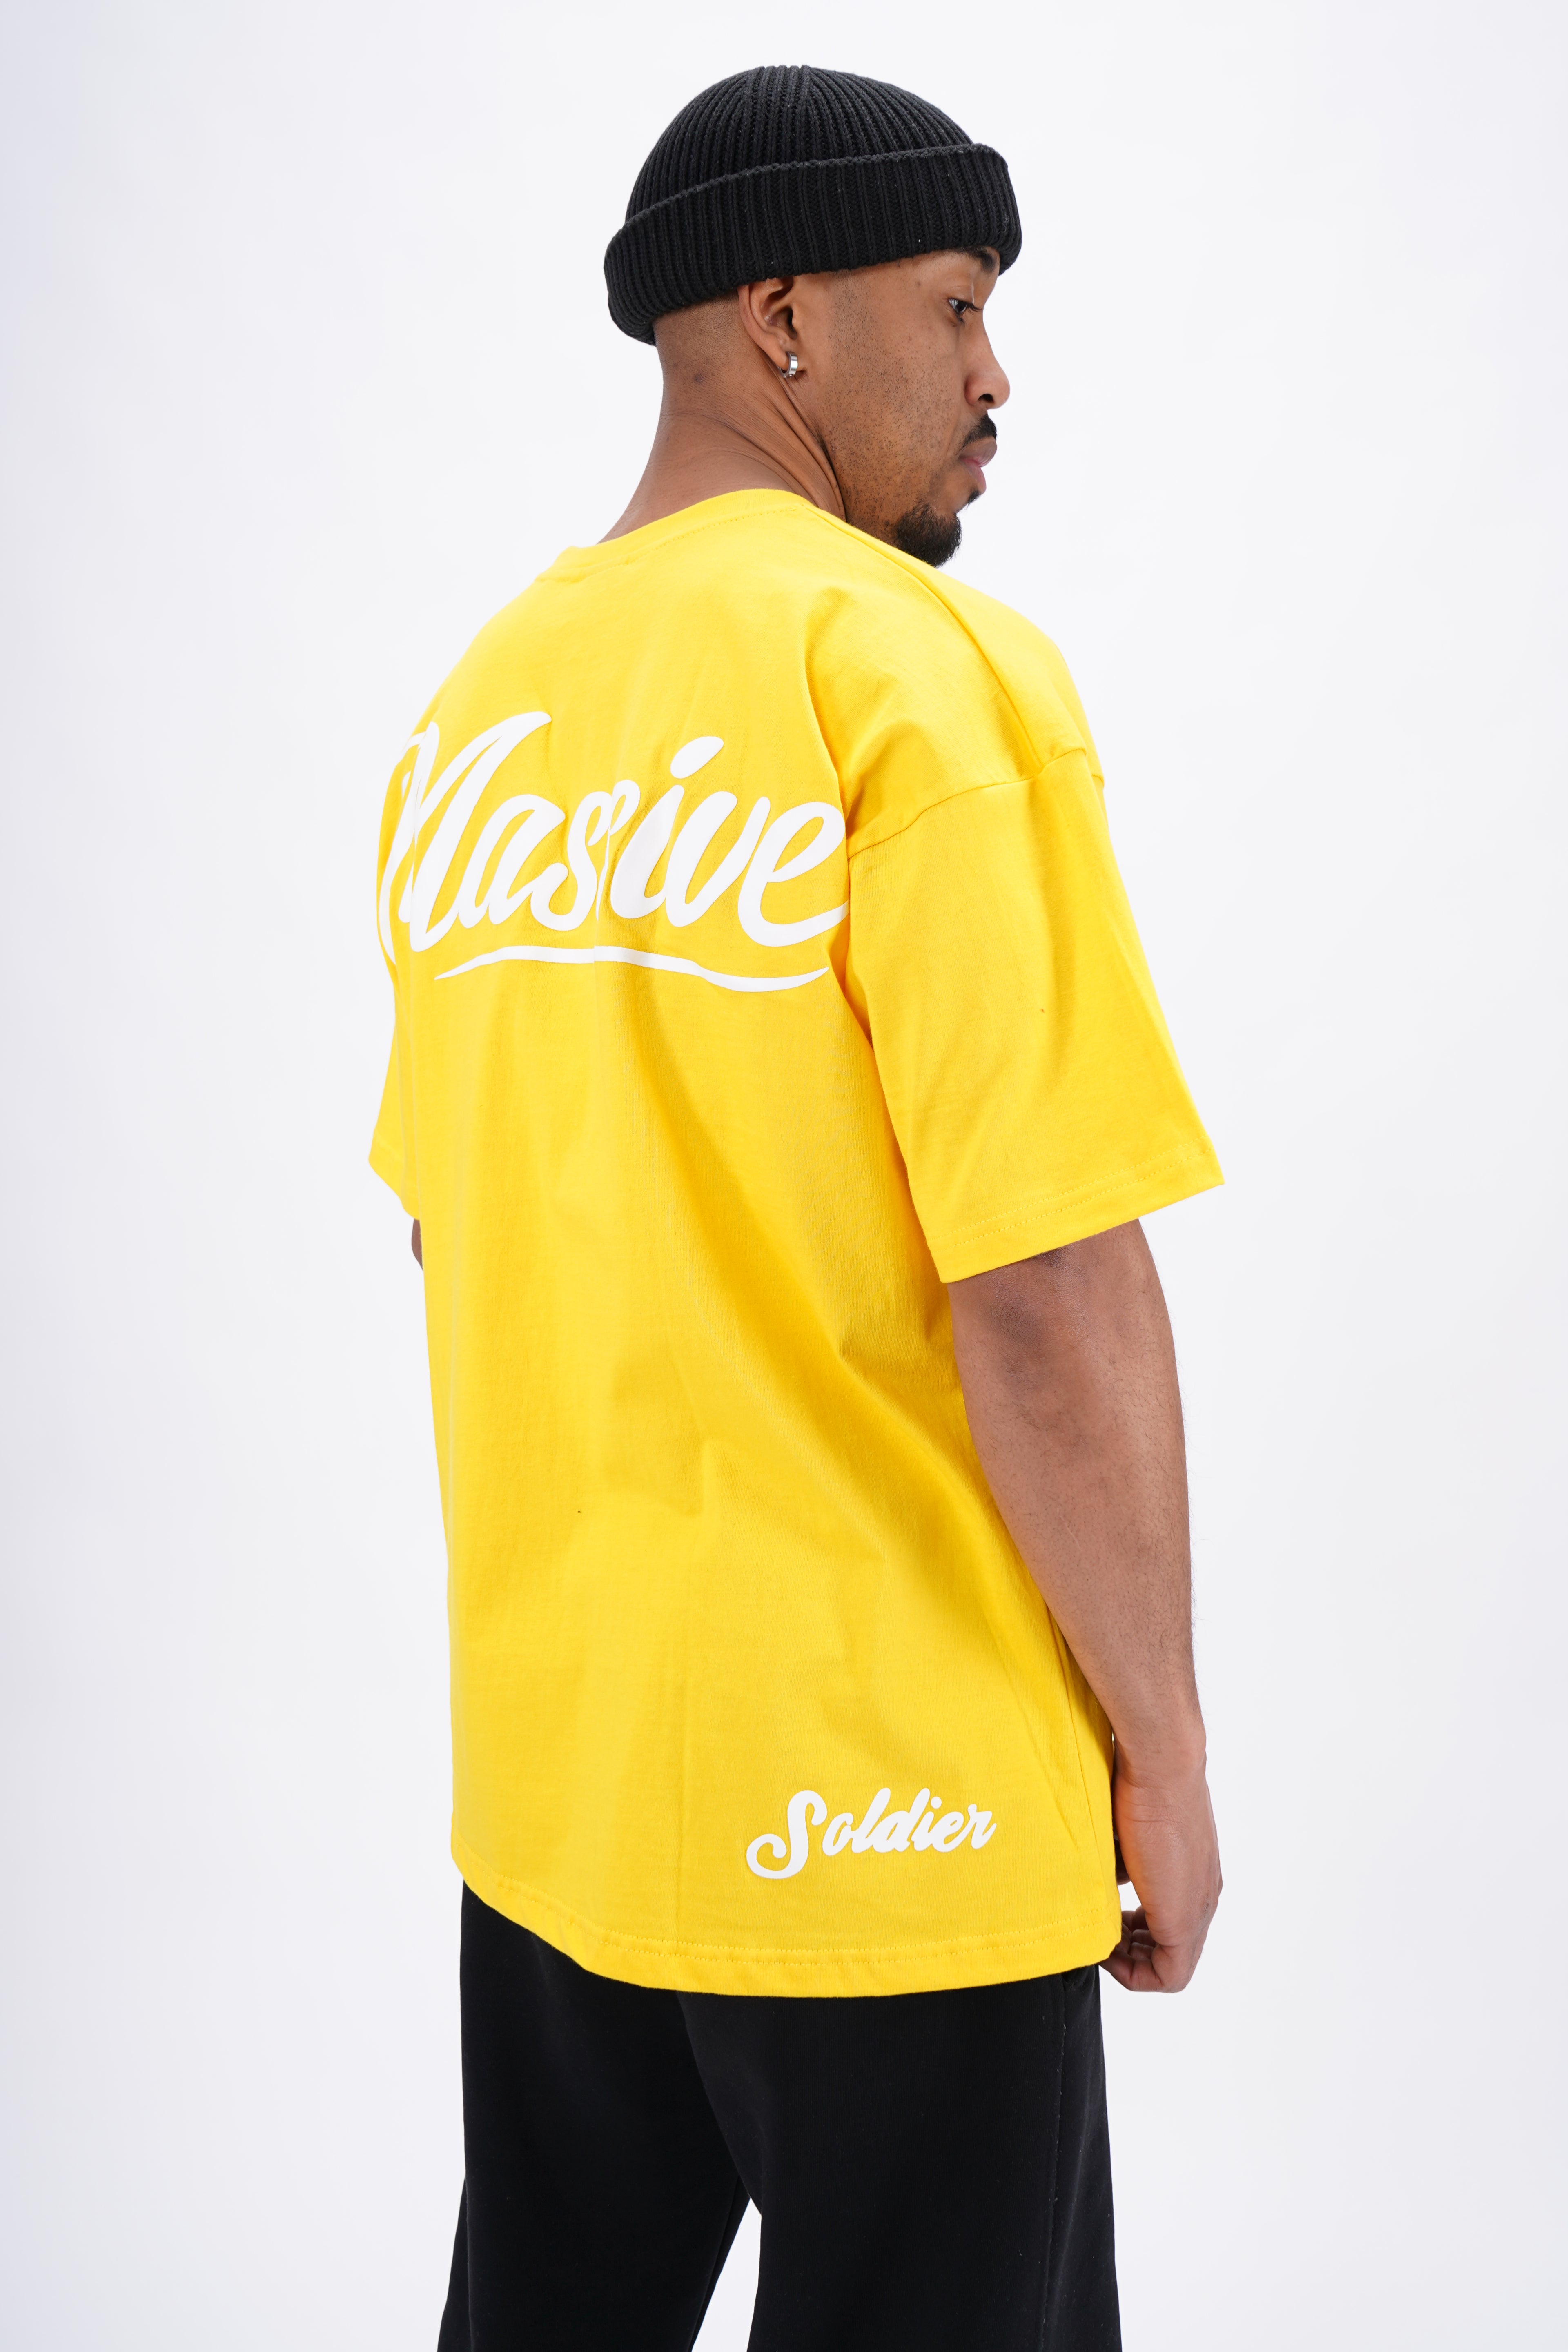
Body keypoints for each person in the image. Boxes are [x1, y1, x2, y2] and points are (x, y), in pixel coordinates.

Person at [370, 62, 1223, 2352]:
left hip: (563, 1812)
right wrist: (1159, 1749)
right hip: (892, 1821)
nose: (995, 371)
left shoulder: (480, 714)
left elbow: (457, 1231)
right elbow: (1046, 1276)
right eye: (955, 305)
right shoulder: (917, 675)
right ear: (781, 321)